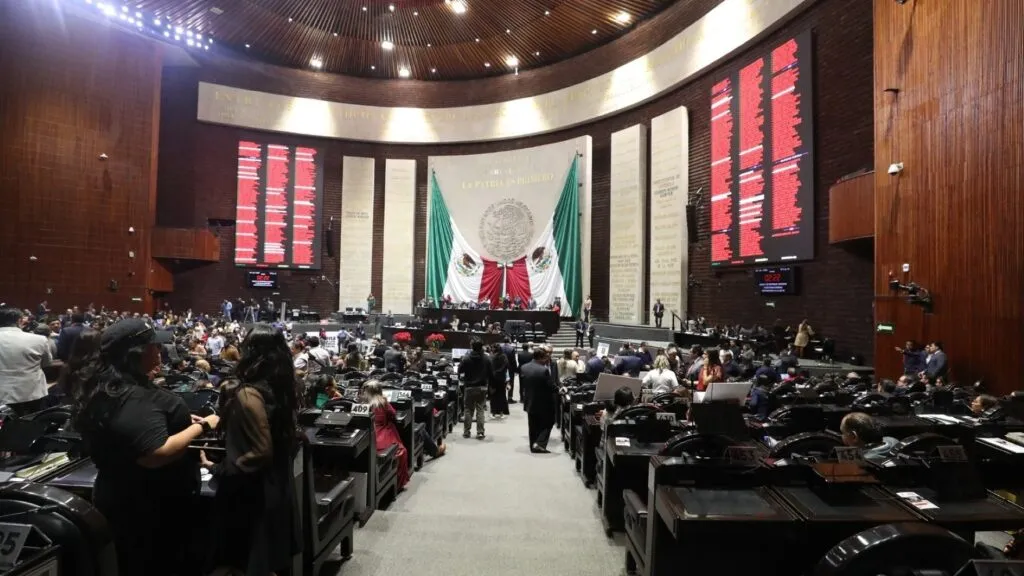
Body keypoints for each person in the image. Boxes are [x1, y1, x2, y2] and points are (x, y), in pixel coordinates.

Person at [70, 318, 218, 575]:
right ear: (135, 354)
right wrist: (204, 425)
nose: (159, 352)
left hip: (116, 499)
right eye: (154, 347)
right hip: (152, 512)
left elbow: (132, 430)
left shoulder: (104, 389)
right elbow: (154, 454)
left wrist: (178, 424)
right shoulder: (137, 397)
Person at [201, 324, 298, 576]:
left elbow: (260, 451)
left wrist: (218, 468)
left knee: (242, 562)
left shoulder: (248, 394)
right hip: (277, 484)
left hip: (251, 493)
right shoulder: (284, 388)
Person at [0, 307, 54, 415]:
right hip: (31, 393)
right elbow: (47, 363)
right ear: (20, 320)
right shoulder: (39, 339)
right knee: (30, 425)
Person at [361, 380, 410, 489]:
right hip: (381, 437)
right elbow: (393, 415)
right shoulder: (383, 402)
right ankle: (398, 484)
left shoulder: (361, 404)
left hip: (365, 437)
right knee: (402, 451)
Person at [522, 347, 557, 453]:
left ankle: (533, 445)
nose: (546, 360)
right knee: (549, 422)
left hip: (529, 400)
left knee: (532, 424)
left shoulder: (524, 367)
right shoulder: (544, 370)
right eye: (545, 358)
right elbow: (550, 386)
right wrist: (560, 389)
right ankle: (540, 443)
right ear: (540, 358)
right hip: (543, 402)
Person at [458, 338, 490, 439]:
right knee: (480, 409)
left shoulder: (466, 358)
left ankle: (467, 432)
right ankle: (480, 432)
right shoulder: (486, 358)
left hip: (469, 387)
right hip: (482, 387)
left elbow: (460, 370)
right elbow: (491, 373)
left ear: (472, 347)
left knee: (468, 410)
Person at [488, 343, 510, 419]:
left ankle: (493, 412)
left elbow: (489, 368)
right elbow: (506, 366)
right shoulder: (504, 356)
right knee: (501, 395)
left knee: (493, 395)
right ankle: (501, 412)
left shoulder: (491, 357)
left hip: (493, 379)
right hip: (501, 378)